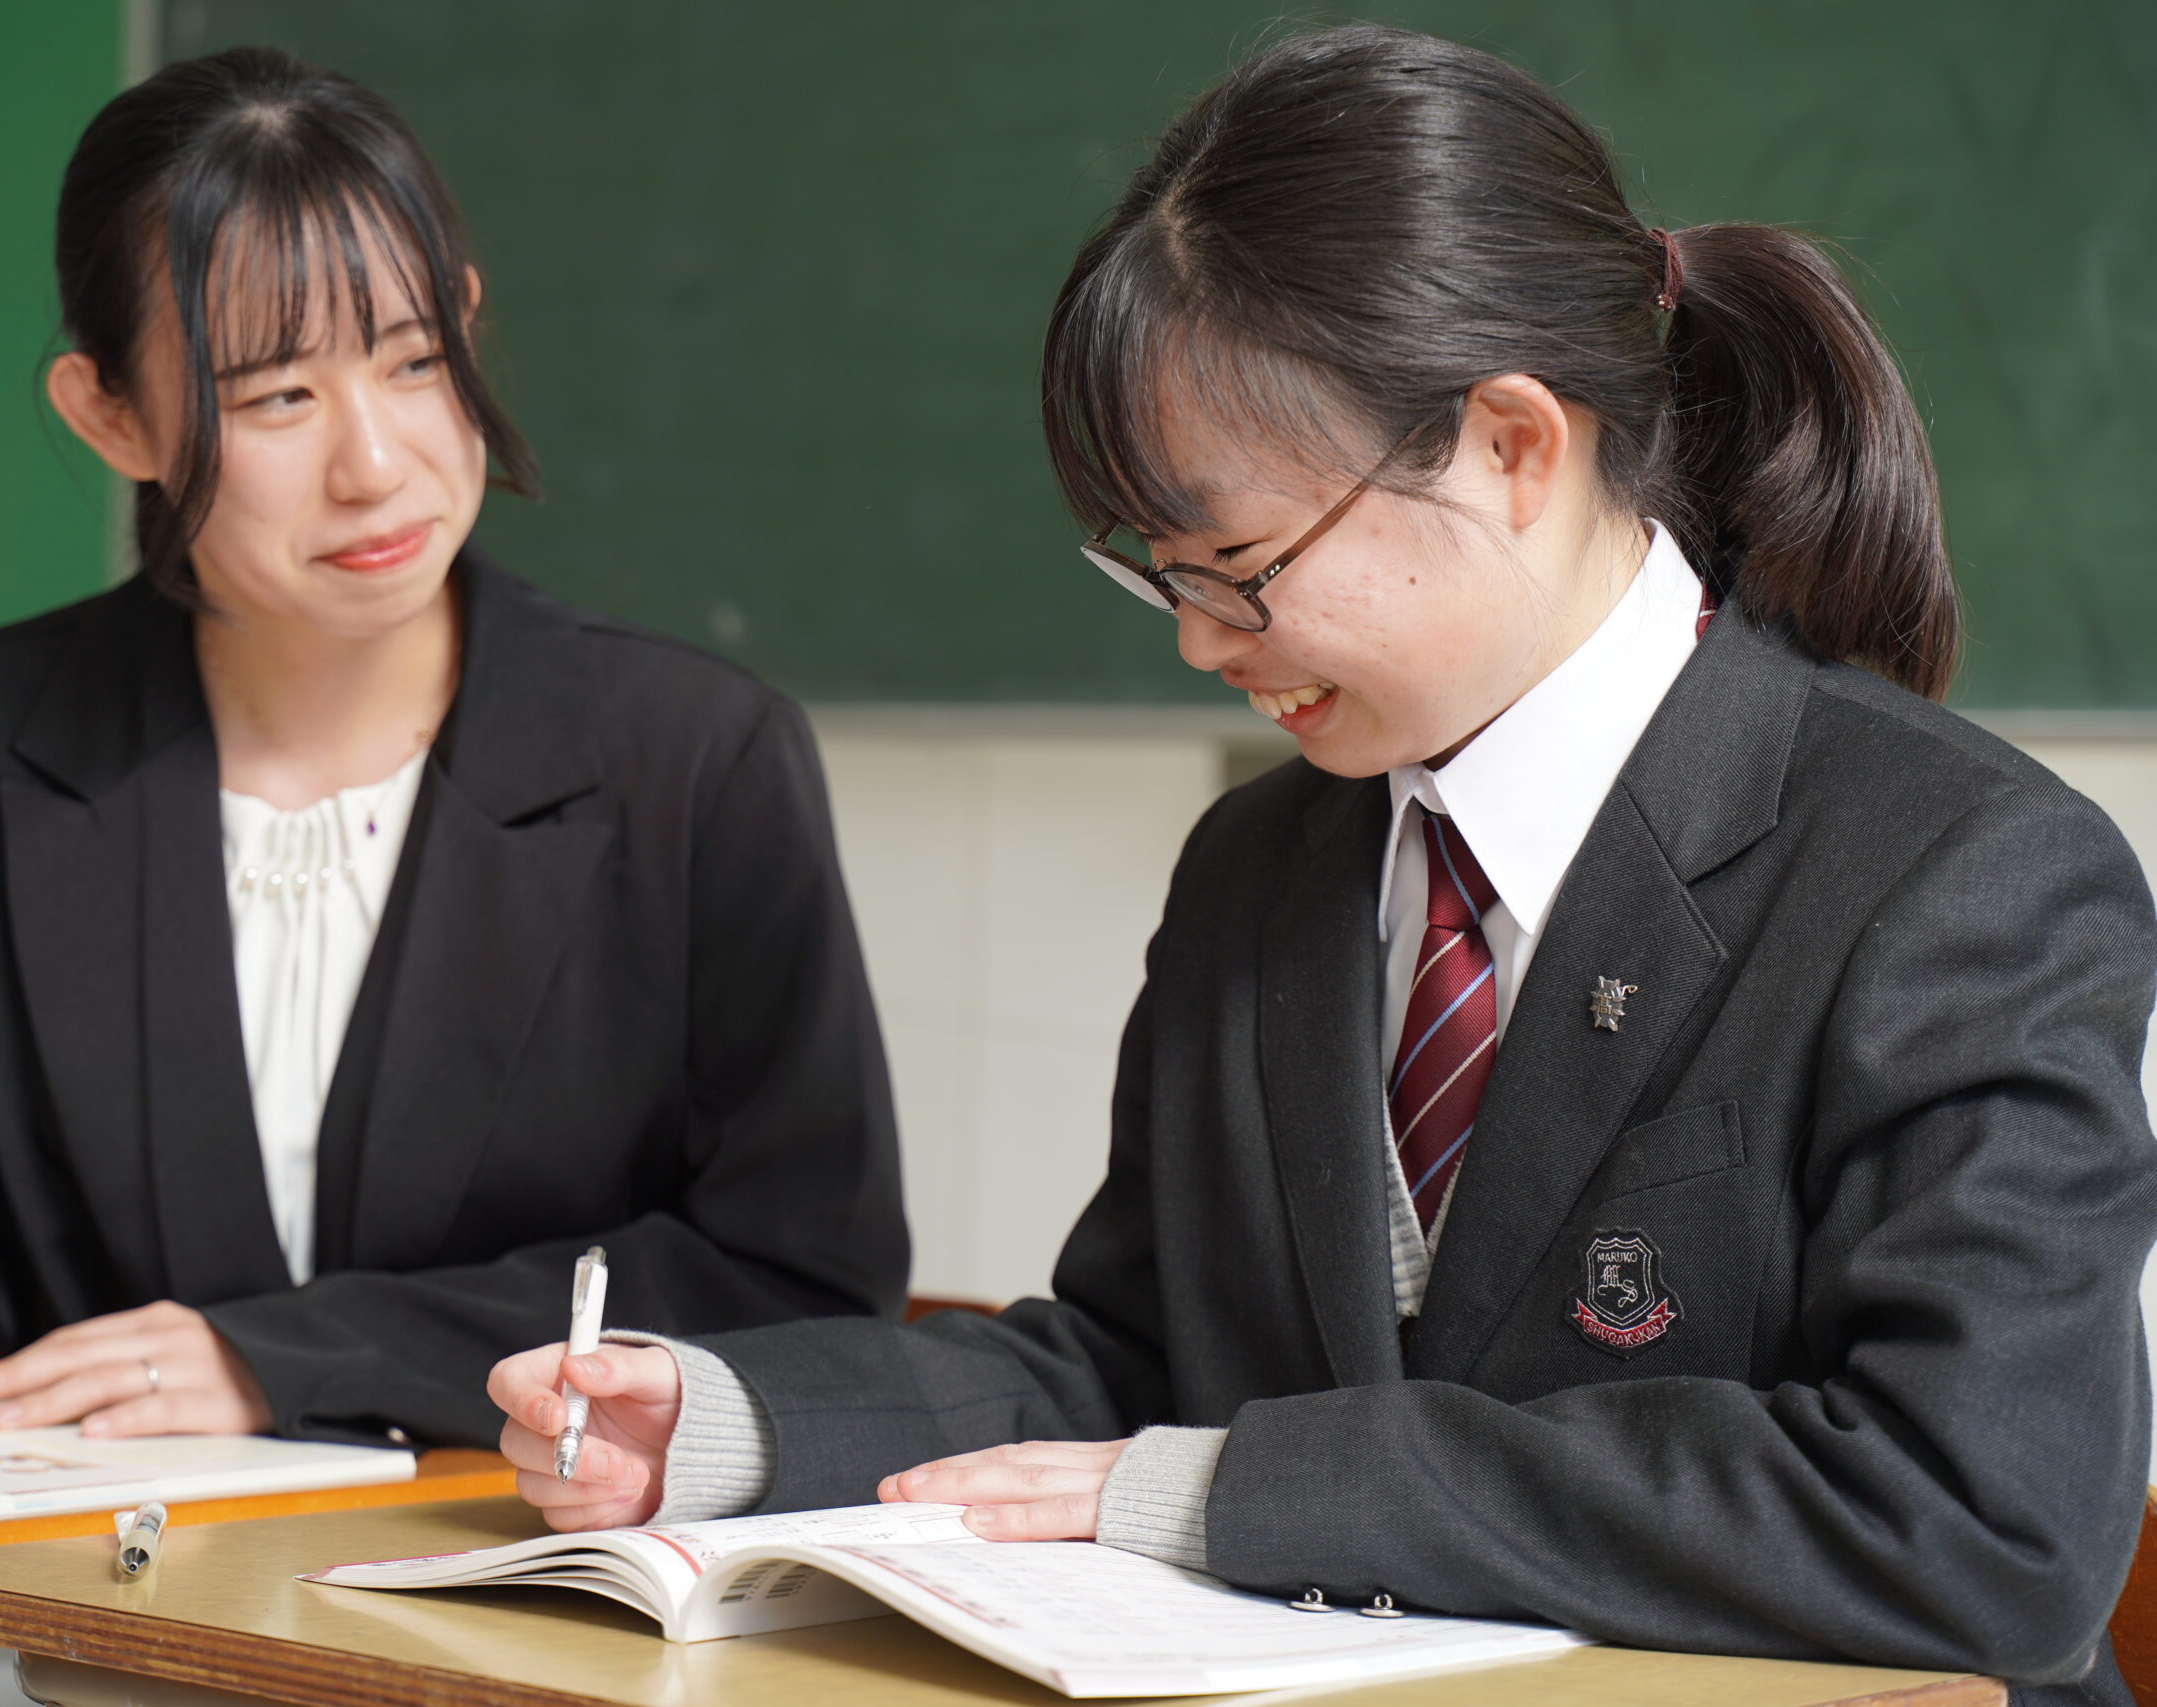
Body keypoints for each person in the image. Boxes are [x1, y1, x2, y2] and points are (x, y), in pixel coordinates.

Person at [488, 25, 2157, 1706]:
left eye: (1242, 563)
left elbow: (1986, 1522)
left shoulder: (1963, 875)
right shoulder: (1261, 867)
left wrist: (1236, 1493)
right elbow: (1134, 1365)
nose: (1203, 642)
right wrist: (733, 1427)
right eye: (1163, 576)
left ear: (1511, 446)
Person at [0, 46, 908, 1452]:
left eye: (415, 361)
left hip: (516, 1555)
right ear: (110, 415)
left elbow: (798, 1270)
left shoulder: (694, 759)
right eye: (278, 398)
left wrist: (288, 1362)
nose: (375, 464)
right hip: (82, 1561)